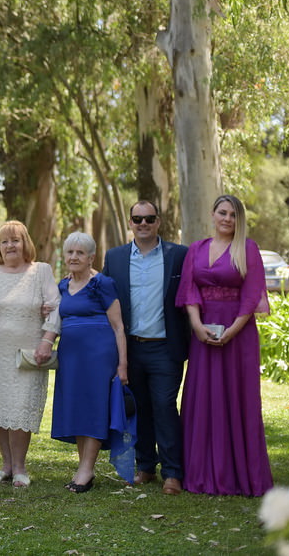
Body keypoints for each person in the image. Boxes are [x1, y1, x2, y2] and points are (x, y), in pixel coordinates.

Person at [175, 194, 273, 496]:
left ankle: (239, 474)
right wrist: (196, 325)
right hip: (203, 332)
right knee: (203, 396)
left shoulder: (248, 249)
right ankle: (202, 472)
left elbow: (252, 292)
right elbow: (189, 289)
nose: (227, 219)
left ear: (238, 219)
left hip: (238, 333)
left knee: (236, 395)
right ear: (212, 214)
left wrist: (233, 330)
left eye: (233, 214)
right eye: (222, 212)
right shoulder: (196, 249)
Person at [101, 201, 189, 495]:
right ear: (130, 222)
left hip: (166, 347)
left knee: (164, 406)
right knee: (139, 408)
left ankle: (173, 472)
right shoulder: (114, 258)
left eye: (149, 218)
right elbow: (101, 296)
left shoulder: (178, 255)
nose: (143, 223)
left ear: (158, 222)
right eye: (137, 219)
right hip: (131, 349)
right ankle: (146, 467)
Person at [0, 220, 61, 489]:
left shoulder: (41, 271)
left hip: (29, 352)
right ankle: (6, 465)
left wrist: (47, 339)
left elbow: (56, 307)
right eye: (4, 241)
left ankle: (21, 467)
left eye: (16, 240)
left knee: (20, 408)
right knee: (0, 409)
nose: (10, 245)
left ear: (26, 243)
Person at [50, 232, 128, 493]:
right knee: (78, 408)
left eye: (80, 253)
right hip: (70, 357)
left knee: (94, 407)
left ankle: (85, 470)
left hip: (99, 355)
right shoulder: (62, 286)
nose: (74, 257)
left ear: (91, 257)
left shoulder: (103, 284)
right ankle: (85, 467)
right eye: (70, 252)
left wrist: (123, 365)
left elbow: (118, 327)